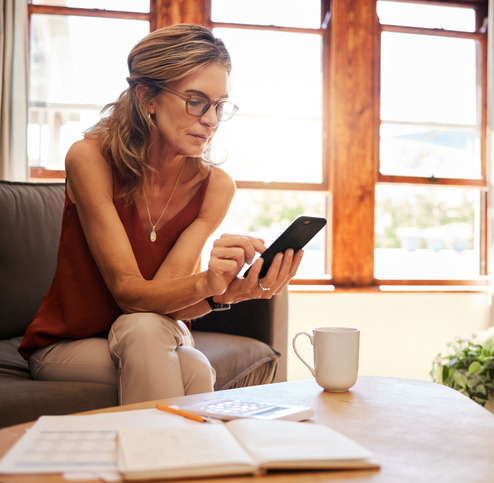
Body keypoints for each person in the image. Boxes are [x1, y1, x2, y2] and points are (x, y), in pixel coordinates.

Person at [18, 24, 303, 405]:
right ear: (147, 97)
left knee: (147, 330)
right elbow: (130, 295)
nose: (211, 119)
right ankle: (202, 460)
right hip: (71, 344)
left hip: (157, 331)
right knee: (192, 366)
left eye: (219, 105)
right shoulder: (90, 158)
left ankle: (152, 459)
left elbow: (161, 301)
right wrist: (209, 282)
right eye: (195, 100)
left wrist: (227, 294)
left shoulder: (215, 186)